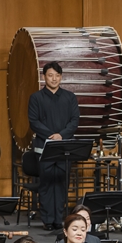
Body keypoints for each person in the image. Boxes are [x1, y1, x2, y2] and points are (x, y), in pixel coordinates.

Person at [28, 61, 80, 230]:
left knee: (61, 183)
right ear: (44, 77)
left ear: (61, 77)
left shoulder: (69, 97)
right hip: (43, 147)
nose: (54, 78)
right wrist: (51, 135)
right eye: (50, 75)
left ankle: (60, 220)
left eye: (57, 75)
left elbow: (74, 121)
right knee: (47, 184)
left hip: (65, 147)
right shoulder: (36, 97)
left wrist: (61, 135)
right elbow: (33, 121)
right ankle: (48, 221)